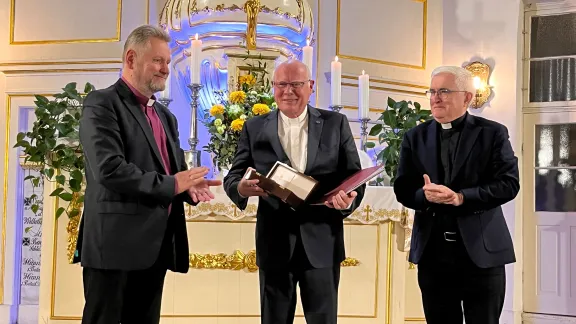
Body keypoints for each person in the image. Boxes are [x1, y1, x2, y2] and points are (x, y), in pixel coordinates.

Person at [74, 25, 221, 324]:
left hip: (155, 246)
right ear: (131, 58)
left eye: (167, 62)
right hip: (113, 246)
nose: (166, 69)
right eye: (158, 60)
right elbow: (110, 169)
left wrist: (188, 186)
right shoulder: (101, 104)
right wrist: (173, 183)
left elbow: (173, 171)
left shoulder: (166, 116)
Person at [223, 60, 365, 324]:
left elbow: (355, 178)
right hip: (274, 241)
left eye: (296, 84)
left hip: (322, 240)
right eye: (282, 85)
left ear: (310, 87)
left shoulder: (336, 123)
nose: (288, 91)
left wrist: (347, 201)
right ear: (273, 87)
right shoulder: (254, 127)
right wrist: (240, 188)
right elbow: (234, 175)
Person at [394, 66, 519, 324]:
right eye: (432, 91)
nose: (435, 97)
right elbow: (403, 189)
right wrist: (424, 196)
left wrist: (461, 197)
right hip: (433, 254)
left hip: (481, 253)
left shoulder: (492, 133)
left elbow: (509, 184)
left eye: (444, 91)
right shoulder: (414, 137)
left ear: (467, 98)